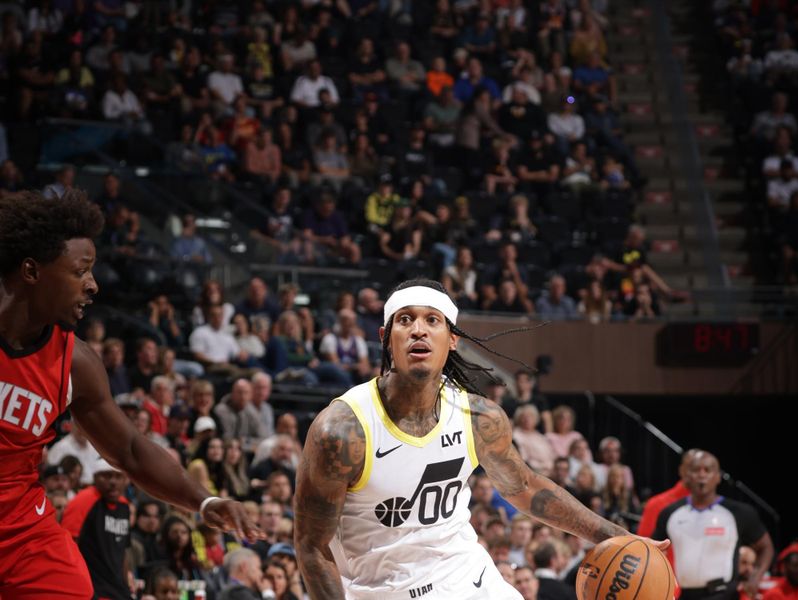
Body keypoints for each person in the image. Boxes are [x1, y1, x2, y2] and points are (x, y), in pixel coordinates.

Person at [293, 278, 667, 599]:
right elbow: (311, 545)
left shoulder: (478, 417)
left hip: (470, 581)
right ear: (386, 338)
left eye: (432, 320)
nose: (418, 330)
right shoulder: (342, 430)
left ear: (452, 339)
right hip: (383, 590)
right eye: (405, 320)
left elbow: (525, 488)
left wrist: (616, 536)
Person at [0, 190, 260, 598]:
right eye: (80, 271)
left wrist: (205, 503)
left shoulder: (75, 363)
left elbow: (131, 452)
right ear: (32, 271)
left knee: (69, 586)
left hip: (21, 534)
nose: (93, 286)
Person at [653, 450, 774, 600]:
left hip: (725, 594)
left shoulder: (739, 513)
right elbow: (654, 552)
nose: (702, 474)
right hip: (685, 595)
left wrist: (755, 577)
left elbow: (766, 547)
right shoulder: (669, 513)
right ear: (686, 476)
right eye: (696, 470)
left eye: (708, 470)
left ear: (717, 477)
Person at [60, 457, 131, 599]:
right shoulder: (83, 501)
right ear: (95, 477)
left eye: (118, 476)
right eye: (106, 476)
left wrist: (127, 582)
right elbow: (66, 546)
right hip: (92, 588)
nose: (113, 482)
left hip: (117, 588)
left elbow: (122, 550)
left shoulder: (124, 506)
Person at [636, 448, 698, 538]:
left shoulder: (720, 509)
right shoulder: (656, 505)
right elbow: (642, 546)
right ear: (681, 470)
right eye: (693, 468)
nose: (701, 474)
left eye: (706, 469)